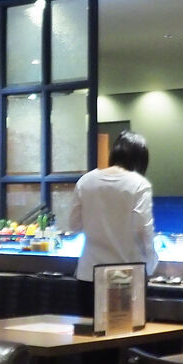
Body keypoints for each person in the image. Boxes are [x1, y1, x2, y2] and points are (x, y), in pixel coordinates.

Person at [68, 131, 157, 313]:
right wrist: (151, 264)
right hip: (125, 277)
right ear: (141, 160)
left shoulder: (85, 181)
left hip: (88, 275)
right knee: (123, 329)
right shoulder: (139, 184)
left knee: (89, 330)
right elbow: (143, 229)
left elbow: (74, 225)